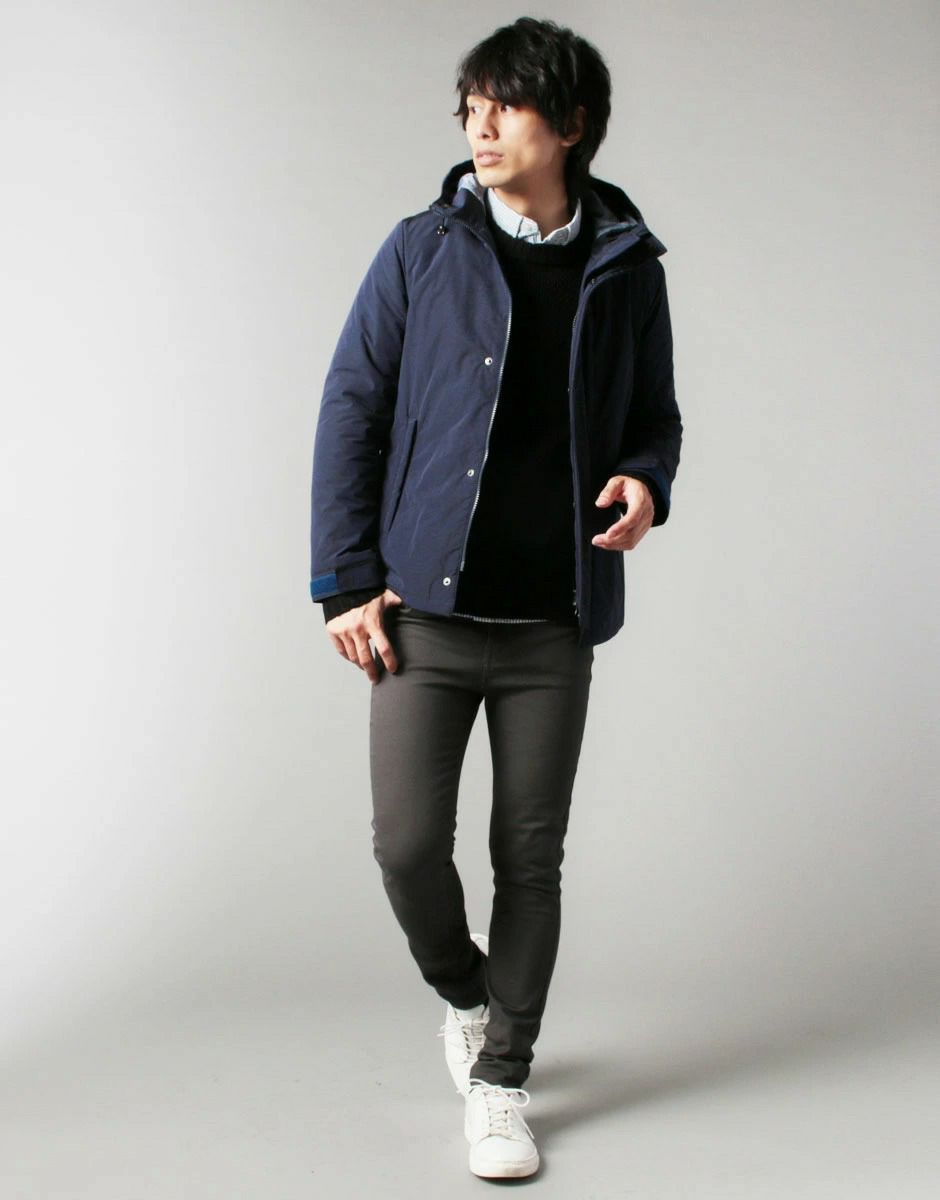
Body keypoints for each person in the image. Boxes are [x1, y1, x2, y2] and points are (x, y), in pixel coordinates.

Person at [309, 16, 682, 1180]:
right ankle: (470, 999)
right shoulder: (421, 249)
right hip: (421, 611)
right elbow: (352, 408)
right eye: (469, 107)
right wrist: (343, 581)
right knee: (407, 846)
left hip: (550, 624)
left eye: (505, 107)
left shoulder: (626, 266)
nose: (480, 127)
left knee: (529, 858)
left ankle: (503, 1081)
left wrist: (646, 481)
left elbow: (654, 418)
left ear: (569, 124)